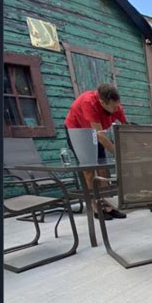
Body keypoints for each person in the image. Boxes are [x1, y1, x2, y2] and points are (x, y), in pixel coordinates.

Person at [65, 83, 127, 219]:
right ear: (102, 102)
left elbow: (126, 127)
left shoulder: (116, 106)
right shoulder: (89, 102)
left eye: (118, 105)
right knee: (89, 169)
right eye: (113, 107)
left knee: (103, 168)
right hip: (78, 132)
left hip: (96, 132)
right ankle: (96, 207)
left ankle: (107, 205)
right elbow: (99, 135)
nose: (117, 109)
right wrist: (119, 154)